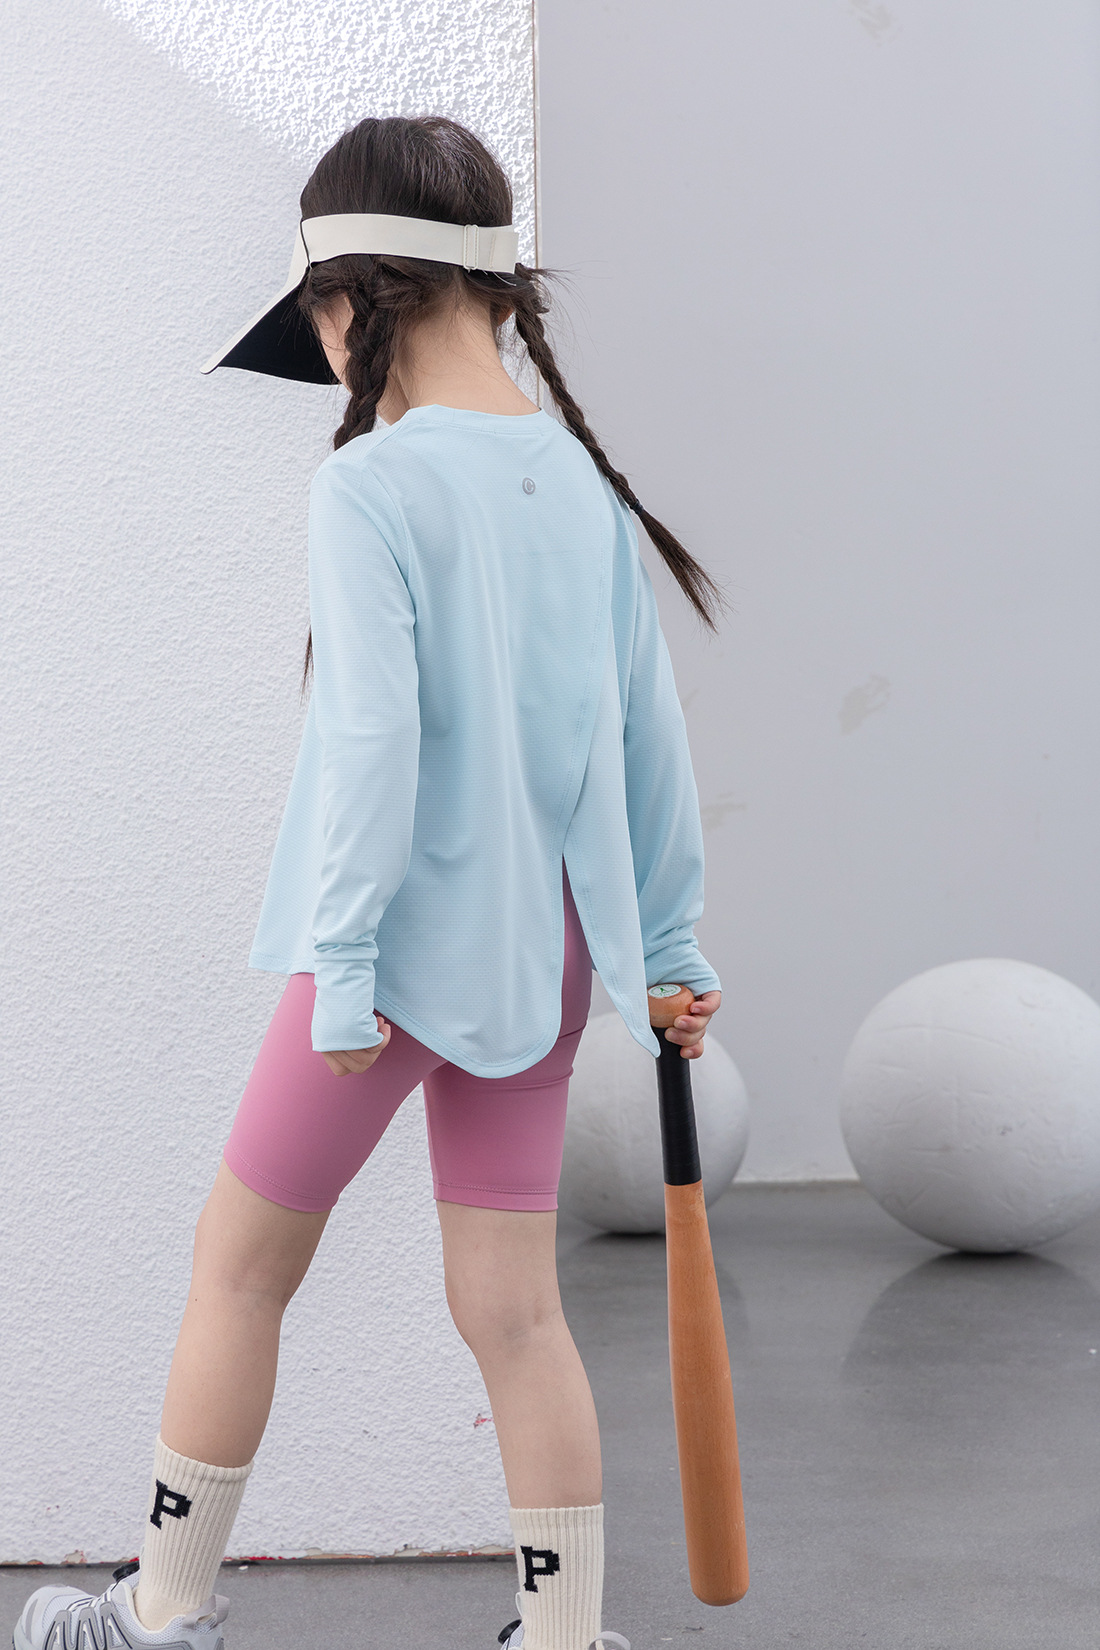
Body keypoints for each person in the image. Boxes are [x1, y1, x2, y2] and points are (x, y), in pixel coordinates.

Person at [14, 115, 728, 1650]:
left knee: (239, 1268)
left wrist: (342, 969)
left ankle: (162, 1613)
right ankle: (563, 1639)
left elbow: (369, 748)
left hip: (391, 956)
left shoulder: (374, 489)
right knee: (516, 1311)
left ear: (356, 302)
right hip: (540, 957)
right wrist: (667, 952)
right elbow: (646, 742)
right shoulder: (584, 490)